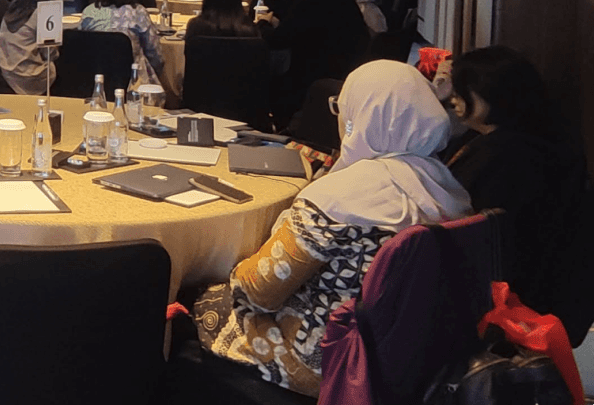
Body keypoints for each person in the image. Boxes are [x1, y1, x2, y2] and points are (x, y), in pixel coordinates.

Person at [190, 61, 471, 396]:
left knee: (205, 298)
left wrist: (220, 268)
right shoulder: (451, 193)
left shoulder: (338, 200)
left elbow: (259, 292)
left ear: (358, 116)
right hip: (413, 361)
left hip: (330, 362)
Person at [445, 46, 590, 332]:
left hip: (509, 298)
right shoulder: (497, 140)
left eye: (462, 91)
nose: (454, 100)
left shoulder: (512, 156)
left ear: (495, 93)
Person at [254, 0, 369, 120]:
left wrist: (263, 23)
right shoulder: (347, 1)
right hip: (343, 79)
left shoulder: (308, 5)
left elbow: (276, 41)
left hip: (307, 82)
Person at [81, 0, 164, 84]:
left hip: (94, 78)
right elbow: (154, 52)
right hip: (133, 80)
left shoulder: (89, 12)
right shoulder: (138, 13)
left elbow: (81, 46)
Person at [0, 0, 58, 95]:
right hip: (30, 77)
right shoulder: (47, 11)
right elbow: (49, 53)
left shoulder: (13, 6)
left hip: (6, 72)